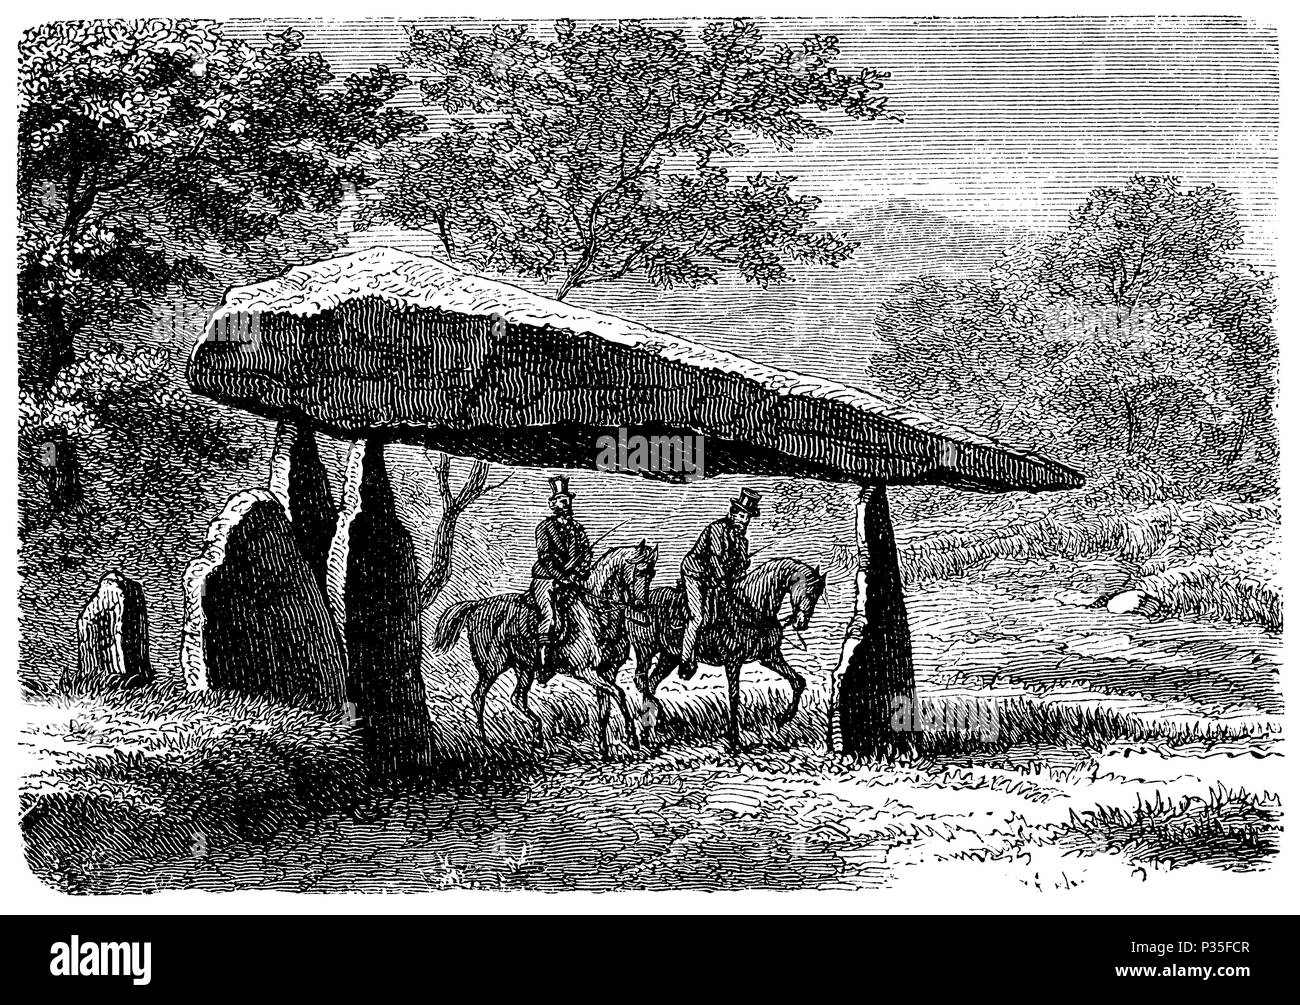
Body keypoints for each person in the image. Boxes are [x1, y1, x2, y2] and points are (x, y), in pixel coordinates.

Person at [679, 488, 760, 680]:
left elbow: (739, 566)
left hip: (717, 579)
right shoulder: (716, 529)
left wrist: (742, 566)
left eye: (747, 518)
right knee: (697, 617)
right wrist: (724, 580)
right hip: (696, 574)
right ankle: (686, 660)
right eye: (741, 516)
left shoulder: (742, 540)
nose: (744, 521)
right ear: (732, 513)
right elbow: (715, 559)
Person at [530, 474, 593, 679]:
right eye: (563, 501)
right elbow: (546, 557)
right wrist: (561, 576)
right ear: (553, 504)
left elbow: (586, 553)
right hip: (546, 579)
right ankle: (543, 662)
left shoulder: (577, 528)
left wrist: (581, 571)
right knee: (549, 617)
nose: (567, 505)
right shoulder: (544, 528)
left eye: (569, 501)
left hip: (572, 580)